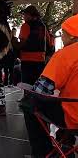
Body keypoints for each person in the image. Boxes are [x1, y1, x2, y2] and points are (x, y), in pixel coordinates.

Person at [22, 14, 78, 157]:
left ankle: (42, 152)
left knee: (29, 103)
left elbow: (42, 90)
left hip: (73, 117)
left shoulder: (66, 54)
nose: (62, 37)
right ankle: (66, 142)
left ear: (72, 36)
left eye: (62, 33)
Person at [12, 5, 51, 86]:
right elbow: (49, 43)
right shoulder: (43, 27)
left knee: (27, 86)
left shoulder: (26, 26)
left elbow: (21, 44)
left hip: (28, 61)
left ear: (30, 15)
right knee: (37, 86)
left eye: (25, 15)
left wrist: (13, 41)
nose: (24, 17)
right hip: (41, 61)